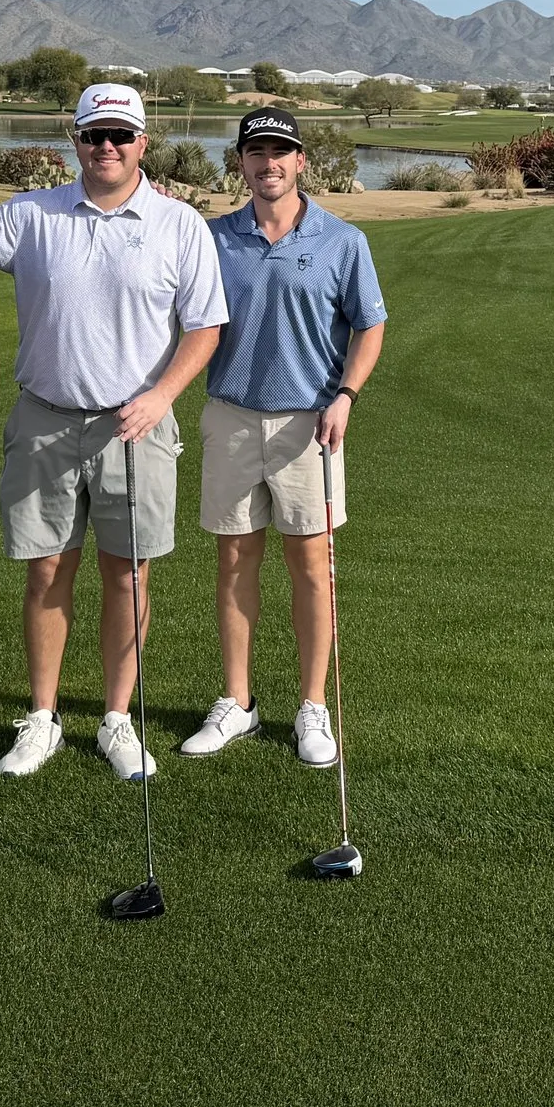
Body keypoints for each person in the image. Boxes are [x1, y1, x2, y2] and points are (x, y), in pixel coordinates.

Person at [0, 82, 226, 782]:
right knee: (47, 570)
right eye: (92, 135)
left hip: (136, 426)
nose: (105, 147)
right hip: (45, 419)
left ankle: (115, 716)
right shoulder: (31, 214)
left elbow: (205, 326)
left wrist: (161, 395)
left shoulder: (178, 225)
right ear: (73, 140)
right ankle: (43, 716)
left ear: (145, 142)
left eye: (119, 136)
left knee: (130, 574)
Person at [179, 107, 385, 768]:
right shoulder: (212, 238)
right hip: (232, 416)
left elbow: (369, 325)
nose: (268, 164)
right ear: (240, 162)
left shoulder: (342, 239)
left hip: (311, 424)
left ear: (301, 161)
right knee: (234, 560)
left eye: (281, 152)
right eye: (256, 152)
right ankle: (238, 702)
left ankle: (311, 704)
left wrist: (347, 395)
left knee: (311, 565)